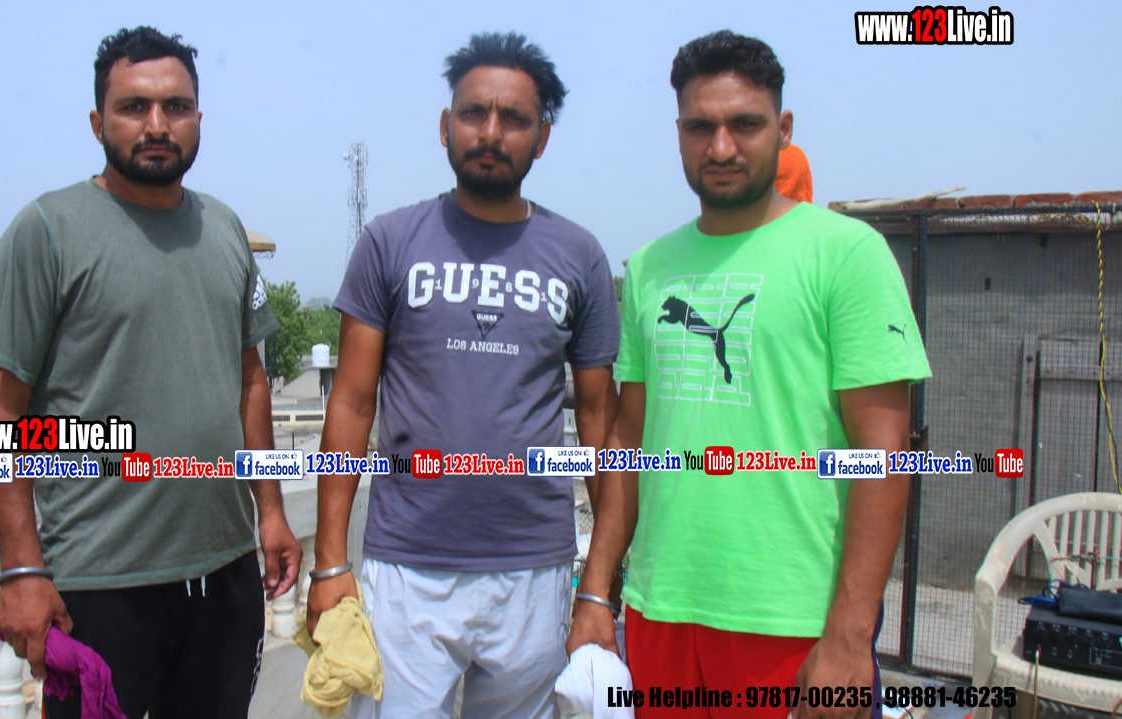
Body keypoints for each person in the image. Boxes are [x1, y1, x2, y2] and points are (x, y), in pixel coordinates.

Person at [567, 30, 930, 719]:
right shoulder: (649, 267)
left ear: (783, 129)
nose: (722, 146)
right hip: (659, 612)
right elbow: (627, 438)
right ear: (678, 134)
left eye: (745, 124)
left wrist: (849, 637)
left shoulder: (848, 255)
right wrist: (596, 588)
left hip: (795, 622)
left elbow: (883, 454)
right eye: (700, 127)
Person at [0, 26, 301, 719]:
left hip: (224, 572)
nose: (157, 125)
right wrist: (22, 568)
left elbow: (250, 379)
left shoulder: (224, 228)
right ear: (98, 122)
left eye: (175, 106)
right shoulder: (48, 230)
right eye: (133, 107)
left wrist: (271, 511)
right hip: (99, 583)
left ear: (198, 118)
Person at [306, 31, 620, 719]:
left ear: (542, 138)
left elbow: (602, 423)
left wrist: (598, 585)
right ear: (445, 125)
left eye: (515, 118)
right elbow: (351, 403)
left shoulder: (580, 256)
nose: (491, 132)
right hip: (405, 567)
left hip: (535, 571)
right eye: (474, 113)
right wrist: (330, 561)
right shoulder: (390, 241)